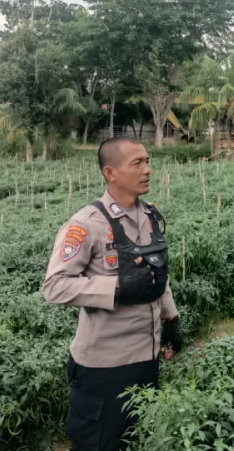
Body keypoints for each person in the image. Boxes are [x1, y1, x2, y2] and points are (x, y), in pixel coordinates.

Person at [42, 136, 181, 451]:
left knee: (139, 440)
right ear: (110, 172)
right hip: (104, 367)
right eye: (137, 163)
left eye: (148, 162)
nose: (147, 170)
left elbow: (158, 277)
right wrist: (116, 287)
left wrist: (170, 318)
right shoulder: (86, 224)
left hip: (146, 358)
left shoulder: (150, 217)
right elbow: (55, 285)